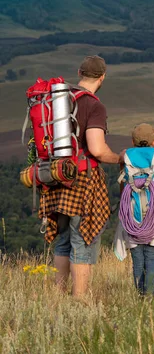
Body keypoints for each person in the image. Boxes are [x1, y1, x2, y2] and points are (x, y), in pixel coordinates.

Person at [40, 55, 123, 297]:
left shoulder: (57, 99)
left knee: (63, 239)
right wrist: (119, 157)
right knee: (84, 239)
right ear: (102, 77)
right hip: (82, 180)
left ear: (79, 72)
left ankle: (57, 296)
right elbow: (96, 148)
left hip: (55, 176)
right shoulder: (94, 105)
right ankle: (79, 300)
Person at [113, 123, 154, 296]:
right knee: (151, 257)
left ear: (132, 142)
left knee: (137, 259)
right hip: (153, 214)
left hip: (132, 214)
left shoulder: (125, 161)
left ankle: (140, 296)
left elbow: (123, 190)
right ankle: (150, 297)